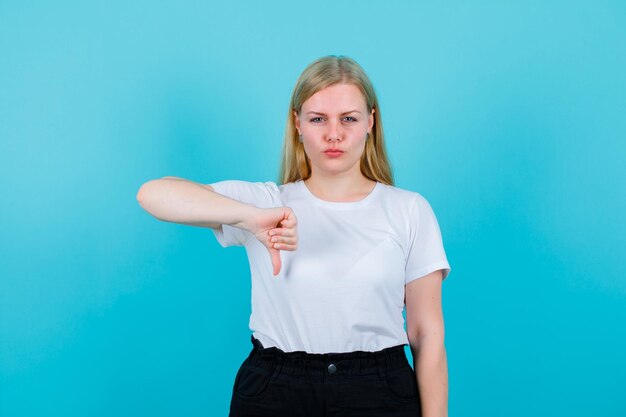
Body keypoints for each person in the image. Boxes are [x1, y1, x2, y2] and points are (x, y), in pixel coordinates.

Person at [137, 55, 452, 417]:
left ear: (370, 122)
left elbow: (426, 334)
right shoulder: (267, 203)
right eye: (318, 119)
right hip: (276, 390)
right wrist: (252, 219)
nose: (334, 134)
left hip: (378, 391)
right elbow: (153, 194)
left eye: (348, 118)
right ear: (297, 123)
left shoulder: (409, 210)